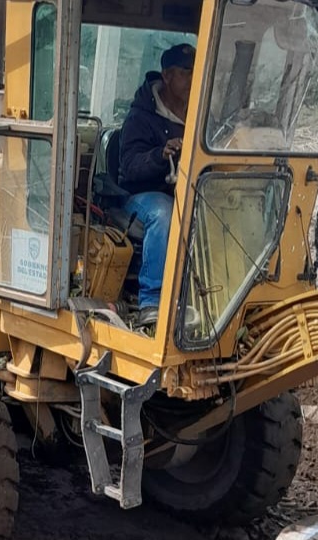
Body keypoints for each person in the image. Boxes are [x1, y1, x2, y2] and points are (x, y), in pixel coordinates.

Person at [117, 43, 194, 330]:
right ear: (167, 76)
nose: (192, 79)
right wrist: (160, 156)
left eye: (196, 72)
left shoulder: (198, 112)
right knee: (164, 213)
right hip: (139, 196)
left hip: (187, 191)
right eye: (186, 73)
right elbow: (129, 166)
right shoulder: (141, 116)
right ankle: (151, 302)